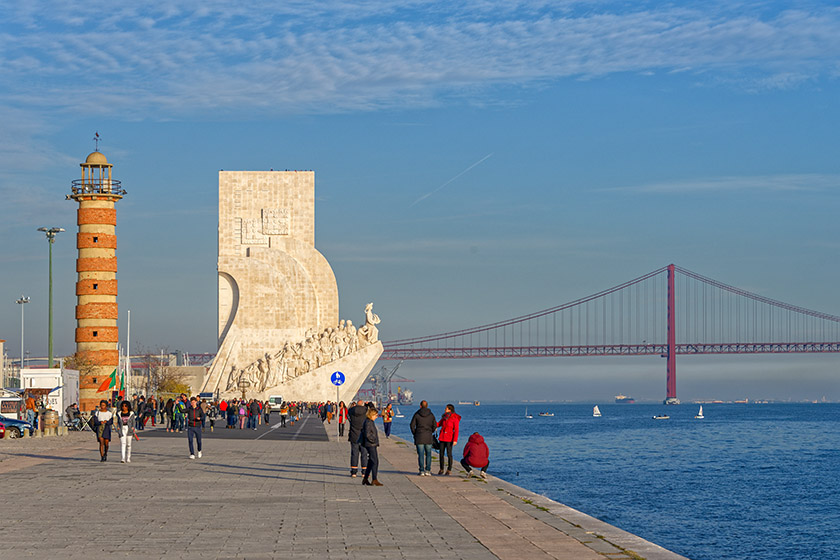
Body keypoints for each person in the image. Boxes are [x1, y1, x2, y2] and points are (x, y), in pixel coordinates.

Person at [409, 400, 436, 476]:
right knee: (429, 454)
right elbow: (435, 425)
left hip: (419, 436)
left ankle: (421, 470)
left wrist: (415, 433)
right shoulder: (431, 415)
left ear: (420, 406)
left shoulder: (417, 414)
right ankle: (428, 470)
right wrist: (431, 431)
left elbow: (412, 425)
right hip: (428, 436)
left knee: (420, 454)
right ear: (427, 406)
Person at [436, 403, 461, 475]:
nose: (444, 409)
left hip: (449, 438)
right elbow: (438, 424)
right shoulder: (444, 417)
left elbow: (456, 430)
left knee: (449, 454)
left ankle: (449, 469)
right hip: (442, 438)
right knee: (441, 454)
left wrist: (455, 440)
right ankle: (441, 469)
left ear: (450, 409)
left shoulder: (455, 418)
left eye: (446, 408)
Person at [360, 407, 382, 486]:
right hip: (370, 444)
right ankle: (374, 479)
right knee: (375, 461)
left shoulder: (369, 421)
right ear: (372, 415)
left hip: (371, 444)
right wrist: (373, 440)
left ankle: (365, 478)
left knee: (371, 461)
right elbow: (368, 434)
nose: (376, 416)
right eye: (375, 415)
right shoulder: (369, 422)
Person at [347, 401, 369, 477]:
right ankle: (364, 472)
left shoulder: (351, 411)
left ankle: (354, 472)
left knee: (354, 453)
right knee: (364, 454)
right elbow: (373, 411)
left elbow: (348, 412)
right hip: (363, 435)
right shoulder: (366, 411)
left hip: (354, 435)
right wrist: (368, 405)